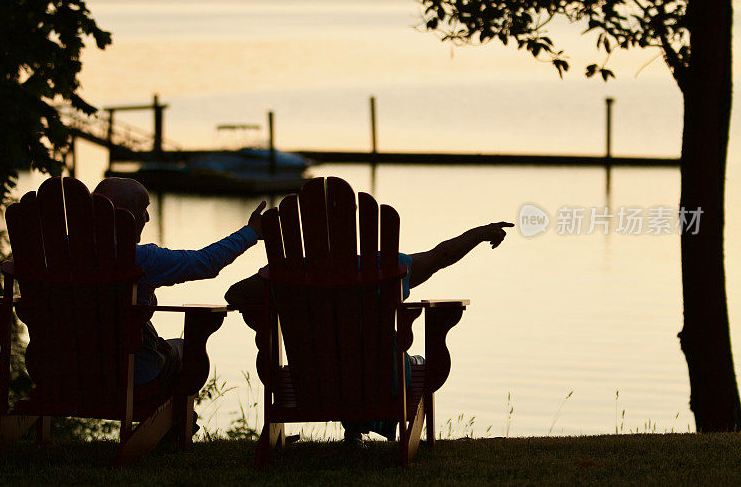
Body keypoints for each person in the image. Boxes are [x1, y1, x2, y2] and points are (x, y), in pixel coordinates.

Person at [224, 215, 514, 444]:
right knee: (407, 362)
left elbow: (234, 294)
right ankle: (361, 431)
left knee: (343, 357)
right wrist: (482, 232)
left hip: (312, 385)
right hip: (379, 385)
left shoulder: (287, 274)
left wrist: (275, 281)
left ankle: (353, 433)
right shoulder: (386, 266)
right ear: (355, 234)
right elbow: (440, 256)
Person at [93, 177, 266, 391]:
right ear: (124, 215)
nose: (147, 217)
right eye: (142, 209)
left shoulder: (56, 253)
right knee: (185, 350)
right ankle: (181, 423)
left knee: (164, 347)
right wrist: (251, 232)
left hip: (60, 370)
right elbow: (204, 263)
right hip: (131, 374)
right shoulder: (140, 259)